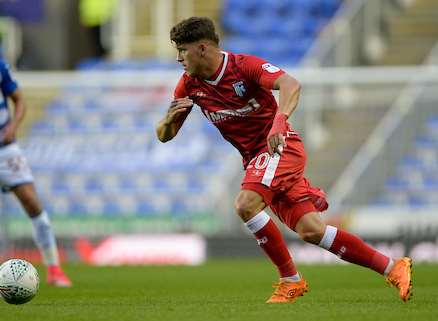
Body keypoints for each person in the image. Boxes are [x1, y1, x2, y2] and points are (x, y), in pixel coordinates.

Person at [156, 17, 412, 303]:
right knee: (311, 230)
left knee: (245, 204)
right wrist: (168, 121)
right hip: (255, 159)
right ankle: (393, 268)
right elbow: (165, 135)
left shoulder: (243, 66)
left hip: (279, 147)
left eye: (182, 49)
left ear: (202, 48)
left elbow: (291, 84)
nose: (178, 57)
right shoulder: (189, 85)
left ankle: (290, 280)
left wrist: (280, 120)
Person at [0, 59, 72, 287]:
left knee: (33, 205)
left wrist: (13, 126)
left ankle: (54, 270)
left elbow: (19, 100)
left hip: (5, 149)